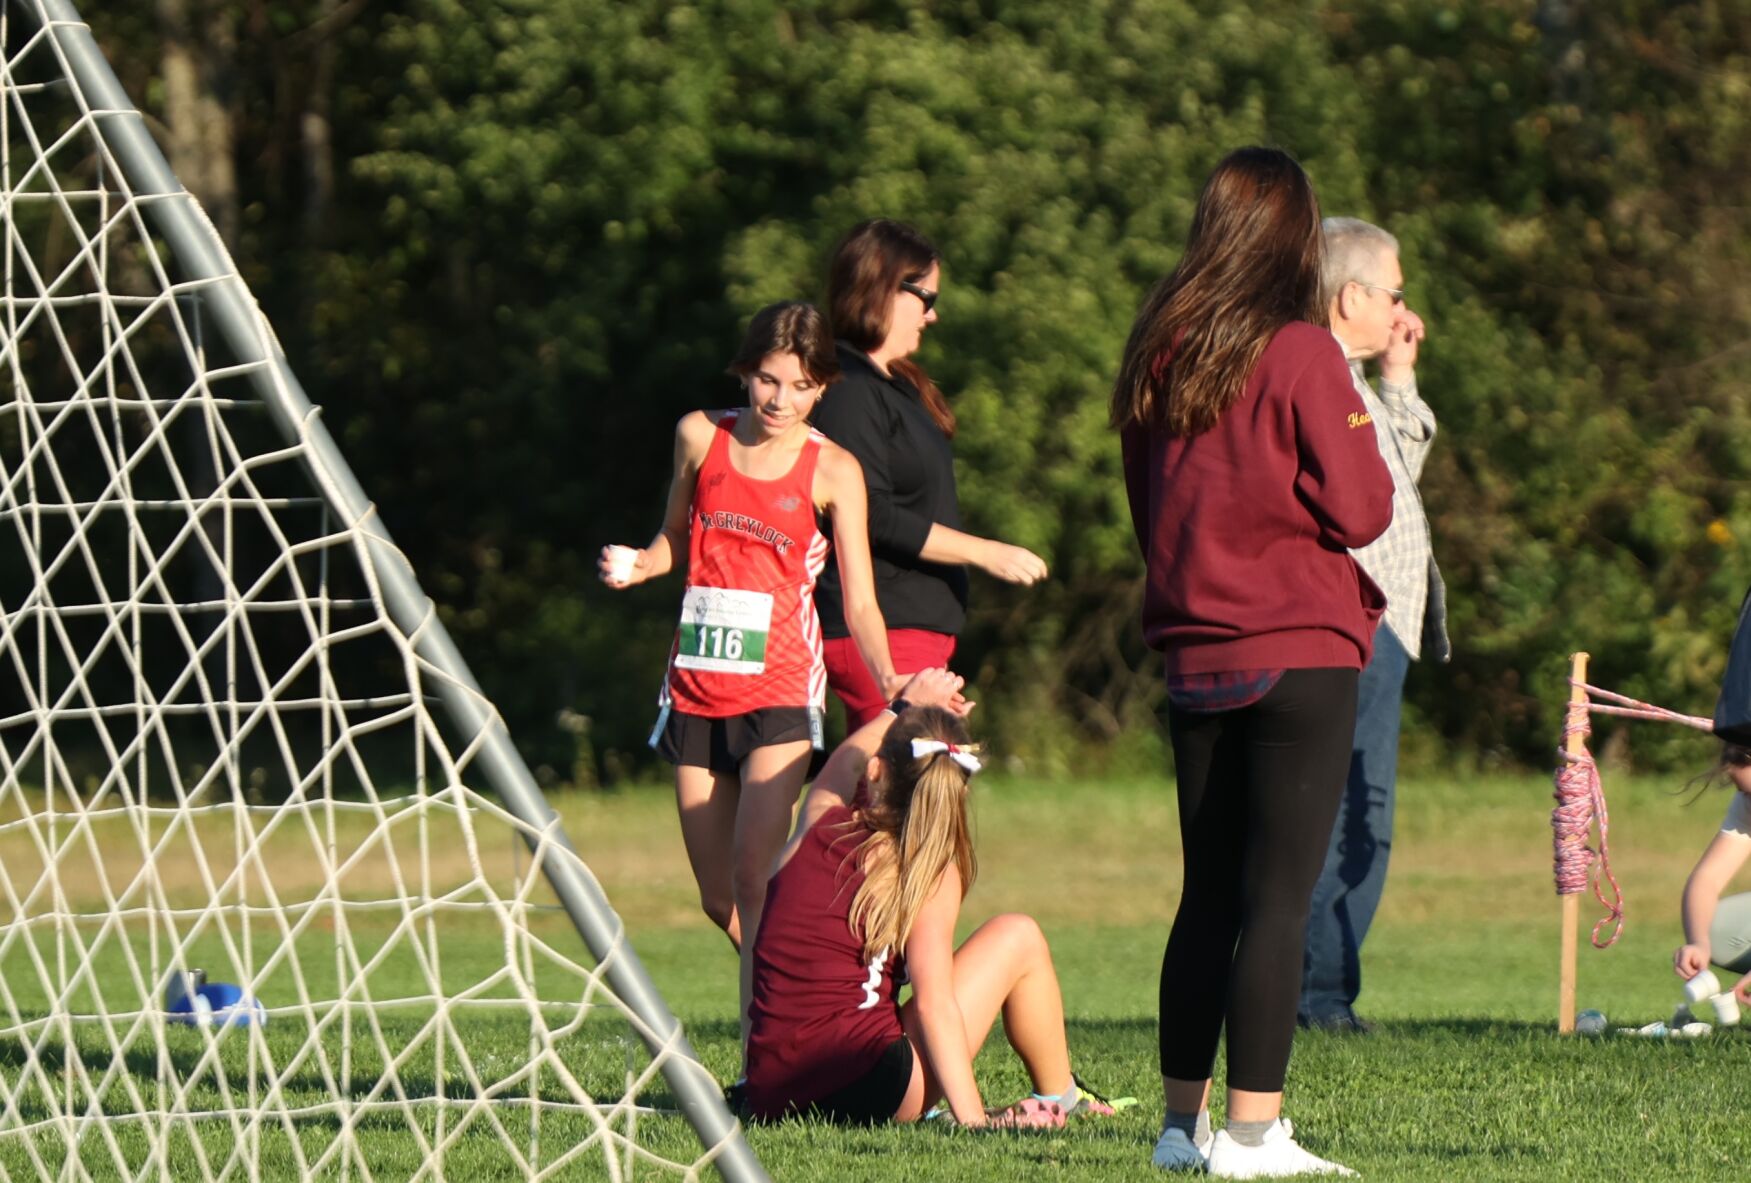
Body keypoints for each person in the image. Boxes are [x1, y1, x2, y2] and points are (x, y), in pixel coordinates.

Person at [1113, 148, 1394, 1178]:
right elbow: (1364, 506)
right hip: (1294, 648)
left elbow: (1150, 504)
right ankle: (1251, 1132)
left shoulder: (1165, 349)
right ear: (1293, 237)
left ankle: (1177, 1131)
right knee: (1278, 895)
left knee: (1206, 896)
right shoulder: (1304, 353)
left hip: (1193, 649)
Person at [599, 301, 898, 1040]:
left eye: (799, 386)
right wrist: (640, 565)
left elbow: (857, 597)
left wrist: (891, 681)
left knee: (753, 879)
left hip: (780, 693)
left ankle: (759, 1059)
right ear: (744, 372)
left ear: (822, 387)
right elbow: (672, 538)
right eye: (768, 380)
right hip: (696, 689)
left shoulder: (832, 469)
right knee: (716, 897)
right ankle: (817, 998)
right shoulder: (700, 435)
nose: (780, 400)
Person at [744, 666, 1116, 1128]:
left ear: (877, 769)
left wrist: (902, 705)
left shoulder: (818, 821)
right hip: (873, 1089)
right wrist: (977, 1121)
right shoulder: (927, 870)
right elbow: (934, 1005)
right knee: (1018, 935)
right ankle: (1062, 1095)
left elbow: (844, 762)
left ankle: (1050, 1097)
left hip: (771, 1091)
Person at [1299, 217, 1450, 1033]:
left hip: (1381, 625)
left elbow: (1391, 482)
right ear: (1350, 293)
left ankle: (1323, 988)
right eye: (1391, 291)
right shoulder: (1314, 376)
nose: (1400, 307)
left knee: (1366, 808)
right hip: (1351, 620)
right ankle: (1316, 997)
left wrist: (1398, 375)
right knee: (1346, 809)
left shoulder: (1347, 378)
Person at [811, 219, 1049, 730]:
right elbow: (870, 515)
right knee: (907, 791)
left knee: (901, 794)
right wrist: (983, 551)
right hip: (885, 630)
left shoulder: (894, 384)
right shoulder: (850, 391)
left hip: (916, 628)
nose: (933, 315)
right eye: (926, 298)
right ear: (886, 291)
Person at [1672, 744, 1751, 1007]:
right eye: (1745, 792)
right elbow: (1707, 880)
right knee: (1714, 927)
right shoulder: (1747, 804)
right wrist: (1699, 943)